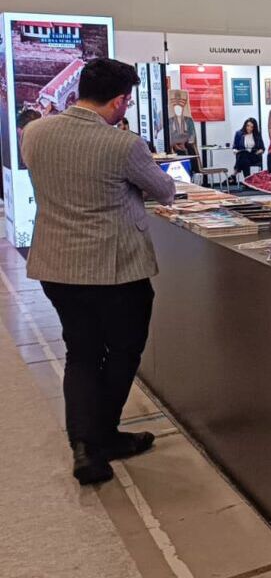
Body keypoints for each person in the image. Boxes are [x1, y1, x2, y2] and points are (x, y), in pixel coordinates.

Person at [22, 58, 177, 486]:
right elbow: (165, 190)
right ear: (119, 101)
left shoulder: (34, 133)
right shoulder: (123, 145)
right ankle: (100, 437)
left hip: (57, 266)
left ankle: (85, 446)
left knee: (82, 352)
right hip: (116, 269)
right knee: (124, 350)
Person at [232, 118, 265, 183]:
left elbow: (262, 148)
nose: (249, 128)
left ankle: (234, 175)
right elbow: (235, 147)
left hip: (254, 156)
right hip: (243, 156)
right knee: (244, 156)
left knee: (243, 157)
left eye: (252, 127)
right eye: (248, 126)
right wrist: (235, 151)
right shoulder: (239, 133)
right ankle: (248, 181)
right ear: (245, 125)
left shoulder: (257, 135)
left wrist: (259, 151)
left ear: (254, 128)